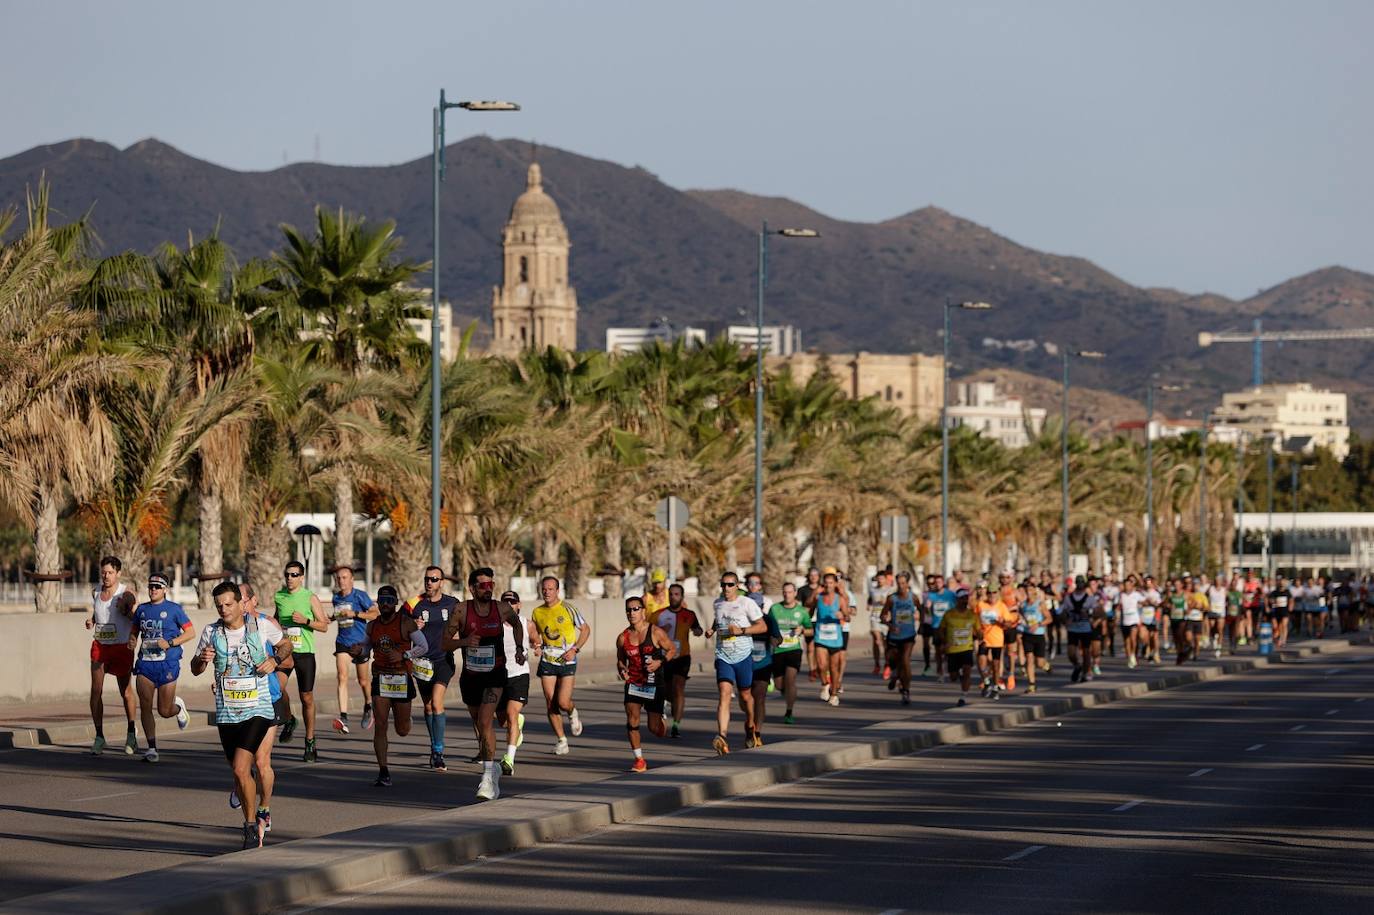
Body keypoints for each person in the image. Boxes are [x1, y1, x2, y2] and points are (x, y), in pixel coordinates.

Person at [192, 581, 283, 849]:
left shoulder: (260, 626)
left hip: (259, 708)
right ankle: (254, 818)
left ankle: (250, 826)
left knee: (242, 767)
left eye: (229, 604)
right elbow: (195, 668)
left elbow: (286, 647)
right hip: (227, 712)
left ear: (241, 604)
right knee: (239, 775)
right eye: (219, 605)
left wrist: (275, 660)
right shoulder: (211, 632)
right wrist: (202, 660)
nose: (224, 609)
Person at [443, 567, 525, 801]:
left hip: (495, 674)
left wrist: (519, 648)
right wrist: (465, 641)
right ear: (471, 588)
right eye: (482, 585)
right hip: (471, 677)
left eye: (491, 584)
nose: (488, 589)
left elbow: (517, 625)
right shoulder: (461, 610)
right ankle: (493, 769)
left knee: (485, 720)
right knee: (480, 723)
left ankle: (487, 777)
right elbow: (444, 643)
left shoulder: (502, 608)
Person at [226, 583, 292, 828]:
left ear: (252, 601)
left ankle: (264, 807)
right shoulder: (224, 629)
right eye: (236, 600)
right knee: (241, 763)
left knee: (262, 761)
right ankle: (242, 784)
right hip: (236, 702)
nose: (240, 605)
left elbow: (288, 653)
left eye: (243, 600)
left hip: (267, 698)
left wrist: (273, 661)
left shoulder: (266, 624)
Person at [363, 585, 427, 787]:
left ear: (396, 602)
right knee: (380, 725)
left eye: (389, 600)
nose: (385, 604)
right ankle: (383, 771)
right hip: (380, 677)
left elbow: (423, 646)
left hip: (401, 676)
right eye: (382, 601)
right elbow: (365, 649)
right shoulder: (371, 626)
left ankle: (405, 719)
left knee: (402, 730)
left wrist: (404, 655)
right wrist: (358, 651)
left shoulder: (406, 623)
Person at [128, 573, 193, 762]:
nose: (153, 590)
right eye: (151, 586)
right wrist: (132, 641)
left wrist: (171, 642)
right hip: (146, 665)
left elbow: (190, 632)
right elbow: (134, 633)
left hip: (167, 664)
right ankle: (152, 748)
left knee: (164, 711)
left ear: (165, 589)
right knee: (146, 707)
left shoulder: (174, 609)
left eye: (157, 586)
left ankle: (178, 708)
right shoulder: (141, 610)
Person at [273, 560, 328, 762]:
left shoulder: (309, 597)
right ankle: (289, 719)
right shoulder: (279, 596)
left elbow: (324, 626)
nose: (290, 578)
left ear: (302, 577)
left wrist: (305, 621)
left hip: (305, 652)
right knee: (276, 688)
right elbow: (275, 620)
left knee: (306, 698)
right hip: (285, 651)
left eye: (294, 575)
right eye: (287, 574)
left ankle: (310, 741)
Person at [706, 572, 767, 755]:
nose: (726, 588)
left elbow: (762, 626)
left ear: (737, 585)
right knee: (724, 693)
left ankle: (750, 725)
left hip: (743, 656)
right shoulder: (718, 603)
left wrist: (742, 630)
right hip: (723, 656)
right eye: (723, 584)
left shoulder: (746, 603)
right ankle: (722, 736)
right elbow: (719, 620)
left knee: (746, 696)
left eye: (730, 585)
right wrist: (712, 629)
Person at [407, 566, 460, 771]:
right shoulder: (416, 604)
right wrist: (413, 626)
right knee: (428, 706)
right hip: (422, 663)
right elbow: (401, 627)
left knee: (437, 703)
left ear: (442, 582)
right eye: (427, 579)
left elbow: (463, 625)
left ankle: (439, 751)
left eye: (434, 579)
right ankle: (433, 747)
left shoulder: (452, 603)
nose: (430, 583)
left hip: (444, 661)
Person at [617, 596, 676, 771]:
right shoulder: (623, 637)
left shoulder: (655, 632)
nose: (632, 613)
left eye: (635, 609)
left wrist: (660, 662)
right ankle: (639, 760)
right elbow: (620, 660)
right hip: (634, 682)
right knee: (632, 719)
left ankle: (661, 718)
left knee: (655, 729)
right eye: (628, 609)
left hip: (654, 684)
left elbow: (672, 649)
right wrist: (622, 670)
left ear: (643, 611)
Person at [86, 556, 139, 756]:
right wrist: (91, 620)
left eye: (110, 572)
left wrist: (126, 610)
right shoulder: (96, 592)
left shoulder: (125, 592)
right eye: (103, 572)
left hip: (121, 647)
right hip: (100, 646)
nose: (106, 576)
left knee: (125, 692)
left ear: (118, 573)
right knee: (95, 691)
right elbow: (99, 613)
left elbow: (136, 615)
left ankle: (131, 733)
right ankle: (99, 736)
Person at [532, 576, 590, 756]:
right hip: (548, 660)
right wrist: (537, 646)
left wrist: (576, 649)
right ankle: (562, 740)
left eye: (550, 589)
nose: (547, 592)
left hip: (567, 659)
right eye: (544, 589)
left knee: (563, 701)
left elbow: (585, 629)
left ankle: (572, 713)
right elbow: (536, 636)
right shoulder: (537, 612)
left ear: (558, 591)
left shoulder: (568, 608)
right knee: (550, 702)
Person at [648, 582, 702, 737]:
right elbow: (648, 634)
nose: (673, 597)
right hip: (664, 658)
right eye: (671, 594)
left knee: (678, 688)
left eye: (677, 594)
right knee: (665, 691)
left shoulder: (689, 614)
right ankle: (672, 702)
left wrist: (698, 631)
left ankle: (676, 726)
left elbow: (697, 628)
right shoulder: (658, 615)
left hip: (682, 657)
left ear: (682, 597)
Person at [329, 565, 377, 735]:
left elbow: (374, 614)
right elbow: (338, 615)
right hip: (342, 642)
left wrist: (355, 614)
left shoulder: (360, 596)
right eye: (338, 578)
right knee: (342, 677)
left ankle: (368, 705)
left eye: (344, 577)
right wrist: (330, 618)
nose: (341, 581)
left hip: (360, 643)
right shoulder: (336, 598)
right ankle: (343, 716)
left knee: (363, 681)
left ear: (351, 579)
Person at [496, 590, 537, 776]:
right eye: (505, 602)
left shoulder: (526, 624)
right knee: (503, 721)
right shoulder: (494, 626)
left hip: (519, 675)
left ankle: (509, 760)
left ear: (519, 605)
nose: (509, 605)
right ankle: (518, 723)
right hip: (499, 676)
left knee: (512, 715)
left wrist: (537, 647)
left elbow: (537, 640)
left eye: (513, 602)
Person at [806, 571, 850, 706]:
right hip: (820, 636)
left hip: (835, 638)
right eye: (826, 583)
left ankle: (834, 693)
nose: (828, 585)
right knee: (821, 665)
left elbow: (848, 616)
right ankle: (825, 683)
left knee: (833, 667)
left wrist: (842, 615)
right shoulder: (818, 597)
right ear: (823, 584)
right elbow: (808, 608)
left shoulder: (840, 598)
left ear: (835, 584)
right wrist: (814, 594)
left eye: (831, 583)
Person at [768, 582, 810, 723]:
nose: (787, 595)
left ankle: (789, 712)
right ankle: (789, 695)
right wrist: (772, 639)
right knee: (780, 685)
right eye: (785, 592)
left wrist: (802, 630)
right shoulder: (775, 609)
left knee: (790, 679)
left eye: (790, 592)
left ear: (795, 593)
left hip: (794, 649)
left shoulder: (802, 611)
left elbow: (811, 629)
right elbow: (768, 628)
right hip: (778, 650)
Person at [747, 581, 782, 746]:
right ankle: (750, 725)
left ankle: (757, 732)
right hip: (744, 664)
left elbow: (779, 637)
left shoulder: (769, 620)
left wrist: (775, 640)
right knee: (745, 698)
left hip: (764, 664)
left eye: (757, 606)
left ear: (761, 606)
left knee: (759, 697)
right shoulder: (742, 621)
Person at [881, 572, 919, 704]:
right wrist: (890, 625)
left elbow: (922, 610)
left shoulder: (913, 598)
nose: (901, 586)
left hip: (909, 635)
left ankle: (906, 690)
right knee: (892, 661)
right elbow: (882, 616)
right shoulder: (892, 599)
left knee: (905, 660)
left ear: (907, 584)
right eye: (899, 583)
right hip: (894, 636)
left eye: (903, 583)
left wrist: (920, 627)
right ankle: (895, 675)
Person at [939, 590, 979, 706]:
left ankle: (963, 697)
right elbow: (941, 630)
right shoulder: (949, 614)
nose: (965, 600)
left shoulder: (972, 615)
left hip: (967, 648)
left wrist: (980, 635)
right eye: (962, 598)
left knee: (967, 671)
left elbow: (978, 631)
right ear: (957, 600)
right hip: (952, 649)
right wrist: (944, 642)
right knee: (953, 677)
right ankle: (959, 675)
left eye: (966, 598)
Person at [974, 583, 1010, 699]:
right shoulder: (981, 605)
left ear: (998, 594)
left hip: (997, 640)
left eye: (994, 592)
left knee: (995, 665)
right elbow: (974, 620)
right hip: (984, 639)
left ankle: (995, 687)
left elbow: (1009, 623)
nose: (992, 595)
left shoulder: (1001, 606)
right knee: (981, 662)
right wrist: (977, 631)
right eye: (989, 592)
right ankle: (987, 681)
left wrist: (1002, 623)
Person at [1062, 576, 1098, 682]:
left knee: (1086, 652)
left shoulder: (1090, 598)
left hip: (1085, 628)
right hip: (1073, 628)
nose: (1080, 585)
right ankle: (1077, 666)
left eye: (1082, 583)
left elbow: (1097, 611)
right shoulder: (1069, 598)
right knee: (1071, 652)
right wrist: (1066, 621)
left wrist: (1090, 616)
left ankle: (1085, 672)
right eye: (1078, 583)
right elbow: (1063, 612)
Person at [923, 574, 956, 680]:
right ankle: (940, 671)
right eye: (935, 583)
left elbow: (956, 608)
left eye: (939, 582)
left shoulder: (950, 595)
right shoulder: (931, 596)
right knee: (938, 649)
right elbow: (927, 611)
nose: (937, 584)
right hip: (936, 625)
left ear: (943, 583)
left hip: (948, 625)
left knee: (948, 648)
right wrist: (927, 608)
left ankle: (950, 666)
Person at [1019, 585, 1050, 693]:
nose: (1028, 592)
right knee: (1029, 658)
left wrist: (1038, 624)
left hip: (1039, 635)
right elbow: (1021, 615)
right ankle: (1032, 684)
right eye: (1026, 590)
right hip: (1027, 634)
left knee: (1039, 663)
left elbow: (1049, 618)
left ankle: (1045, 665)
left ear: (1034, 592)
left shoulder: (1040, 604)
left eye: (1030, 590)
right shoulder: (1023, 605)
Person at [868, 567, 896, 678]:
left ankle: (887, 665)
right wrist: (869, 604)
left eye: (882, 578)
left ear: (886, 579)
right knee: (876, 639)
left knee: (886, 644)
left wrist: (886, 602)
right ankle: (876, 664)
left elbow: (893, 603)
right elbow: (870, 599)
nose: (880, 580)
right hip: (875, 617)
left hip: (885, 618)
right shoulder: (873, 589)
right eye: (878, 578)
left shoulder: (890, 590)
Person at [796, 567, 823, 679]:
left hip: (822, 621)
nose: (813, 577)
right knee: (810, 647)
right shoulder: (803, 590)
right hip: (809, 621)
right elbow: (798, 605)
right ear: (808, 576)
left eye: (816, 575)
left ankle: (820, 668)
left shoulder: (823, 589)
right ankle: (812, 669)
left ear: (819, 576)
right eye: (811, 575)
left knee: (820, 647)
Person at [1180, 577, 1209, 664]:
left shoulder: (1202, 595)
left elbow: (1207, 608)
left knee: (1197, 639)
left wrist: (1202, 607)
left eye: (1197, 585)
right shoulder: (1188, 595)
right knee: (1188, 637)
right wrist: (1193, 606)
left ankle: (1196, 654)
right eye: (1194, 585)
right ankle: (1191, 646)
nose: (1195, 587)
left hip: (1198, 619)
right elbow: (1185, 607)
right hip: (1190, 619)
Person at [1118, 575, 1143, 670]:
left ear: (1132, 586)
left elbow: (1144, 601)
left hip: (1134, 620)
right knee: (1126, 641)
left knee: (1133, 639)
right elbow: (1118, 606)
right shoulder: (1121, 595)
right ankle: (1129, 657)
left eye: (1129, 585)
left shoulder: (1136, 594)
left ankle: (1133, 654)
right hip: (1125, 621)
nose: (1127, 587)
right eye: (1126, 585)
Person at [1268, 575, 1293, 648]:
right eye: (1280, 581)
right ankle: (1277, 639)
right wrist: (1272, 602)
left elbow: (1291, 600)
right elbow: (1270, 599)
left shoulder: (1287, 592)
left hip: (1284, 610)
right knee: (1275, 627)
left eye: (1283, 582)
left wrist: (1291, 606)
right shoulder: (1274, 592)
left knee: (1284, 625)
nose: (1281, 583)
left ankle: (1283, 640)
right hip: (1276, 611)